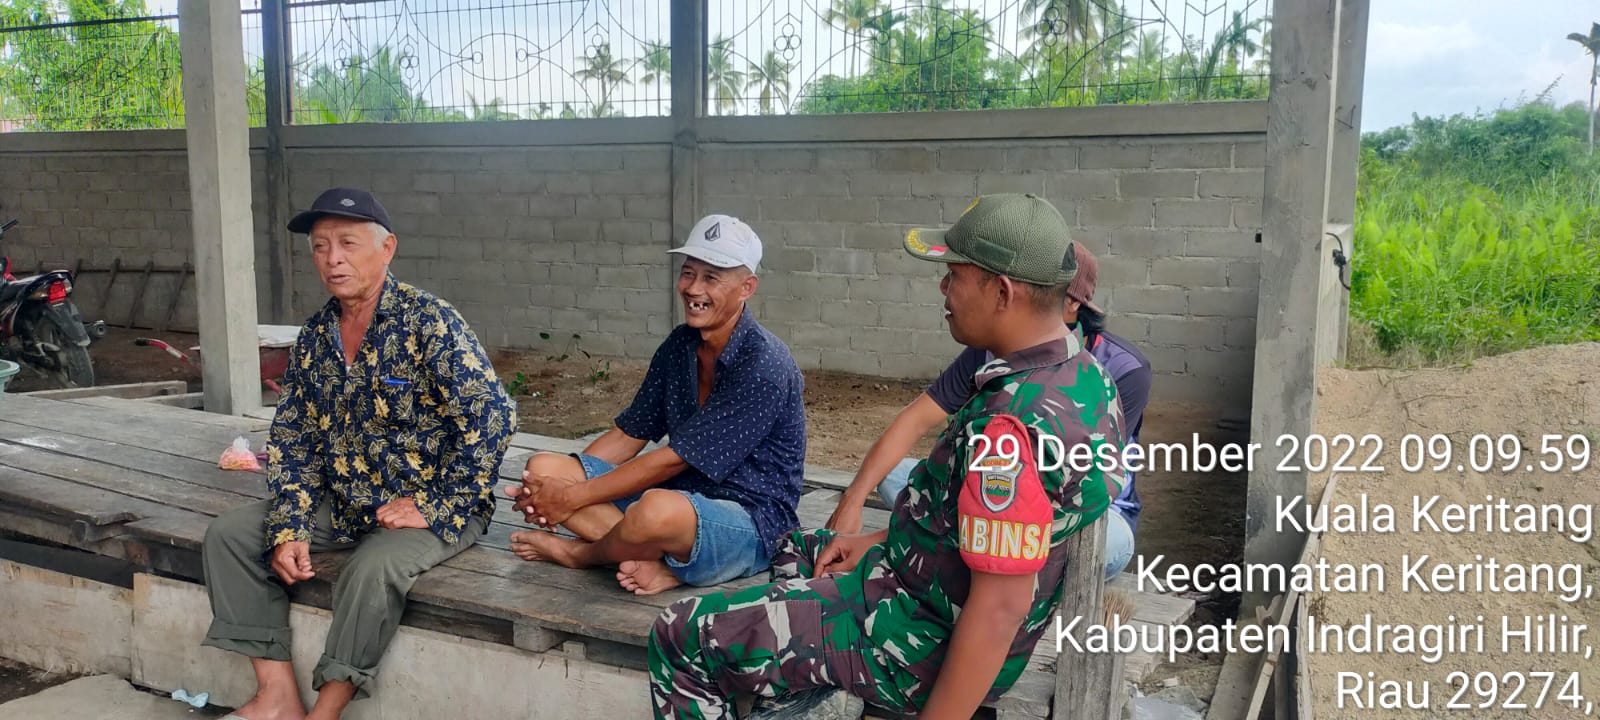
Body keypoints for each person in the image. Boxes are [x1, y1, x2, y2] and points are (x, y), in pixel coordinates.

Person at [647, 193, 1127, 720]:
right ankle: (803, 685)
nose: (943, 287)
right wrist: (879, 541)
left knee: (680, 633)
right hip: (921, 592)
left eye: (954, 275)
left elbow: (998, 610)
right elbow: (965, 531)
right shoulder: (1086, 378)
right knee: (797, 548)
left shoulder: (1007, 430)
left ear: (1002, 291)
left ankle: (815, 669)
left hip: (912, 644)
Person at [199, 187, 517, 720]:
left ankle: (326, 711)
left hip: (435, 506)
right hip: (346, 500)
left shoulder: (428, 321)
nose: (333, 259)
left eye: (348, 243)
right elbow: (294, 437)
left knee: (371, 570)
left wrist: (435, 503)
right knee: (229, 536)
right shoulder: (316, 335)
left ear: (387, 248)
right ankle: (276, 696)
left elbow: (493, 418)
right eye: (320, 247)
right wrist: (292, 524)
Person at [505, 214, 806, 597]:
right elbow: (628, 435)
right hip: (674, 497)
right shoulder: (680, 345)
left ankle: (583, 555)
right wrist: (553, 491)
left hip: (749, 518)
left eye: (711, 278)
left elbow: (674, 460)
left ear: (746, 287)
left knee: (654, 510)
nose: (693, 288)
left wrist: (570, 499)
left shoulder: (764, 365)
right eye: (688, 273)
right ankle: (657, 560)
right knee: (542, 468)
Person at [824, 241, 1152, 579]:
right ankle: (967, 548)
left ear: (1071, 304)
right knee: (895, 475)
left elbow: (1067, 485)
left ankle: (975, 555)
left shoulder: (1120, 370)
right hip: (992, 492)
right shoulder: (996, 346)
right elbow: (916, 419)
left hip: (1085, 511)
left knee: (1101, 544)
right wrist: (853, 499)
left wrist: (896, 536)